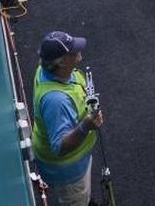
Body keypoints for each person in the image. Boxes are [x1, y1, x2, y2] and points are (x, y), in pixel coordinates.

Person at [31, 31, 104, 206]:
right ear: (61, 62)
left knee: (81, 196)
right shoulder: (57, 101)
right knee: (75, 198)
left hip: (76, 158)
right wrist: (85, 127)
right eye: (73, 51)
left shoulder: (45, 69)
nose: (79, 52)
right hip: (69, 169)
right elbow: (59, 147)